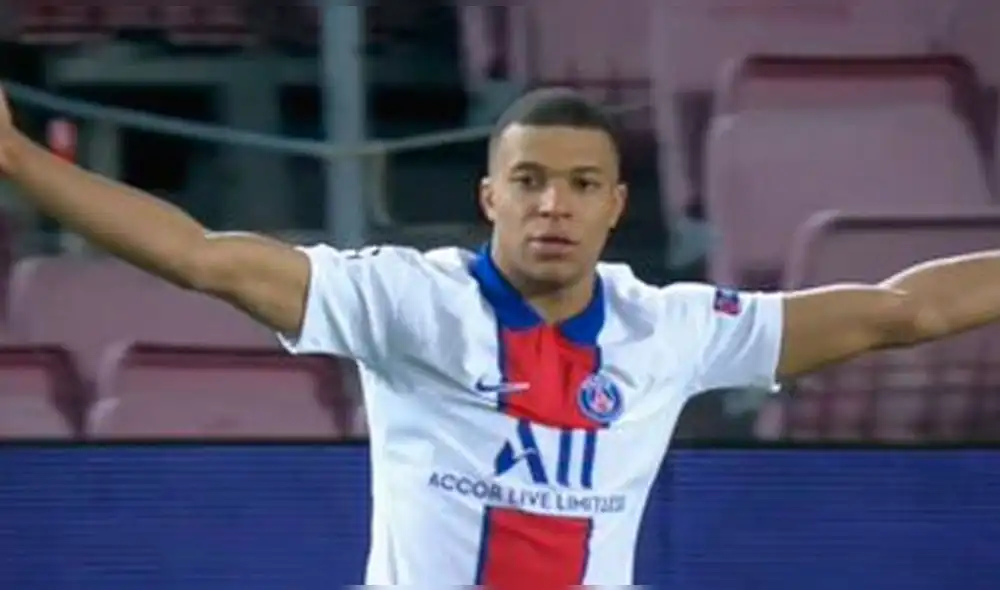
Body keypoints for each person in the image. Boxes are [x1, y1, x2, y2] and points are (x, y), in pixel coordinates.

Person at [0, 85, 999, 586]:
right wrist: (15, 155)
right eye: (527, 182)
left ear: (614, 205)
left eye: (576, 185)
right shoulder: (410, 304)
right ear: (489, 197)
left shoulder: (673, 328)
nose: (550, 206)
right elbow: (201, 255)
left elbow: (897, 309)